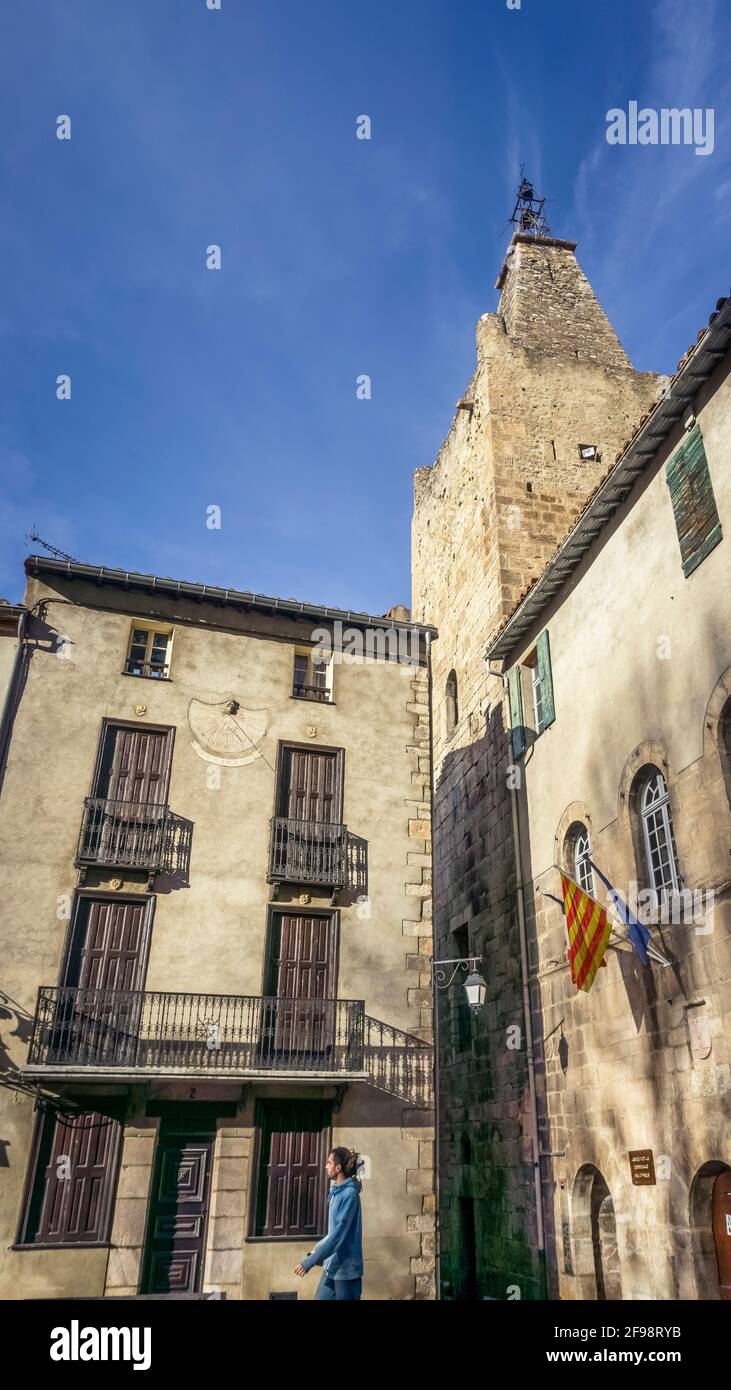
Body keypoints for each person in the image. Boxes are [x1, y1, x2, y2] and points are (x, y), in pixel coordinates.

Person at [294, 1147, 363, 1300]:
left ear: (338, 1168)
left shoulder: (349, 1195)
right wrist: (317, 1250)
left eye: (329, 1163)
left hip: (346, 1273)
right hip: (331, 1267)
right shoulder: (335, 1192)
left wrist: (309, 1262)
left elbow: (338, 1236)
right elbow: (332, 1233)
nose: (326, 1166)